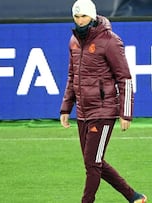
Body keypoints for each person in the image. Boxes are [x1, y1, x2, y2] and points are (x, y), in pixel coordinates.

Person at [59, 0, 147, 202]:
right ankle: (134, 197)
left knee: (92, 164)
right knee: (94, 162)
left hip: (104, 112)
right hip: (83, 112)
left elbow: (124, 78)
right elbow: (72, 77)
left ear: (92, 16)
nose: (80, 21)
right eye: (77, 16)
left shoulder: (110, 40)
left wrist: (126, 113)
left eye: (84, 16)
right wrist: (66, 108)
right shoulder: (73, 42)